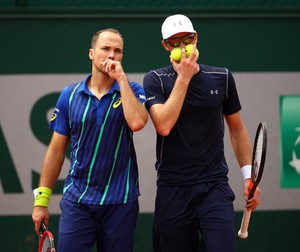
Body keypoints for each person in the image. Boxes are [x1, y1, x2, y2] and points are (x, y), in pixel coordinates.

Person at [143, 14, 261, 252]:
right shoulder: (155, 80)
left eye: (186, 39)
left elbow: (236, 129)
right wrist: (184, 78)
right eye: (174, 42)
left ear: (196, 38)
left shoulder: (222, 77)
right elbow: (163, 125)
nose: (182, 47)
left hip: (214, 187)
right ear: (165, 46)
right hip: (173, 189)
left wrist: (249, 176)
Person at [32, 28, 148, 252]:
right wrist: (41, 200)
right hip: (78, 202)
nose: (112, 55)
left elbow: (137, 122)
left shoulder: (132, 90)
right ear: (92, 54)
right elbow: (56, 151)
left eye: (118, 51)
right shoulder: (70, 95)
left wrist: (121, 79)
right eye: (105, 49)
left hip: (120, 202)